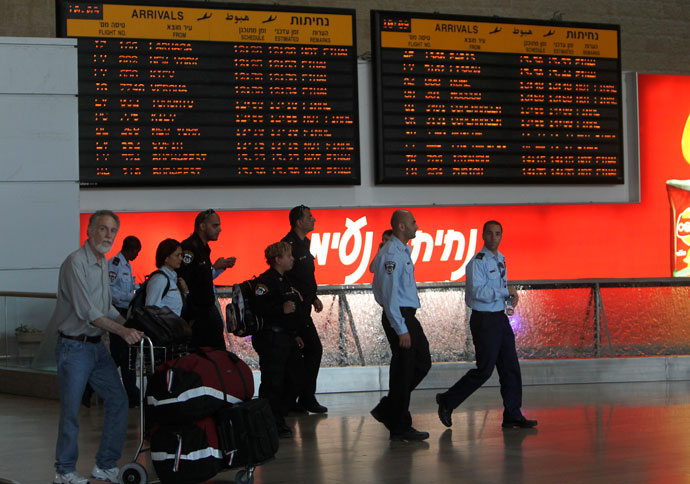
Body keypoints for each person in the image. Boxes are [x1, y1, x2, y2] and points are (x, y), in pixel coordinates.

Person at [52, 210, 144, 484]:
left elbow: (105, 308)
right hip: (74, 348)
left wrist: (132, 324)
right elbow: (87, 311)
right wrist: (122, 331)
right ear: (89, 231)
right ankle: (64, 471)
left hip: (95, 347)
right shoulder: (75, 263)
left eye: (112, 230)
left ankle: (105, 465)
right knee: (71, 411)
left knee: (118, 400)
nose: (108, 235)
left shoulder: (103, 262)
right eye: (103, 229)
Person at [435, 221, 538, 429]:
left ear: (501, 236)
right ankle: (448, 400)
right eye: (490, 234)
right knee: (484, 370)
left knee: (510, 367)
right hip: (484, 320)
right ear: (483, 235)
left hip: (499, 318)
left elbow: (502, 288)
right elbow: (477, 292)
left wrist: (510, 304)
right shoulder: (477, 262)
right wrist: (504, 292)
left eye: (497, 234)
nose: (493, 237)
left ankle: (512, 413)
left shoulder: (500, 259)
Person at [370, 210, 431, 441]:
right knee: (404, 370)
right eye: (413, 222)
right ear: (402, 226)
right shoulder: (392, 253)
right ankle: (400, 424)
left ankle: (389, 410)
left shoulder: (401, 250)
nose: (417, 225)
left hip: (406, 316)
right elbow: (388, 293)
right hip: (400, 317)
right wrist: (400, 327)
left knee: (421, 363)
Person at [252, 241, 306, 438]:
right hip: (272, 338)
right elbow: (259, 308)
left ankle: (279, 415)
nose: (292, 259)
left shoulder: (285, 280)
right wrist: (279, 310)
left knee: (296, 378)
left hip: (287, 337)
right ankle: (271, 422)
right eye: (288, 256)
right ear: (277, 260)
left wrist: (295, 334)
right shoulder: (265, 282)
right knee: (273, 382)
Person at [282, 205, 327, 414]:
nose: (314, 220)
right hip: (295, 309)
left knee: (303, 352)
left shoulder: (305, 243)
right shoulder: (288, 245)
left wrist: (314, 296)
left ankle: (296, 399)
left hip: (305, 304)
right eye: (309, 217)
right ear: (298, 222)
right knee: (313, 349)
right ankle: (305, 398)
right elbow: (286, 277)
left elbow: (306, 274)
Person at [177, 209, 235, 348]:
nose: (219, 229)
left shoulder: (204, 248)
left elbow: (204, 277)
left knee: (218, 351)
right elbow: (186, 281)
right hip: (197, 311)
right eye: (215, 226)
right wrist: (191, 316)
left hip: (207, 308)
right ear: (202, 226)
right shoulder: (190, 247)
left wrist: (219, 268)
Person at [107, 235, 141, 407]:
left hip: (126, 312)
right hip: (117, 313)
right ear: (131, 248)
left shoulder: (127, 264)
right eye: (137, 251)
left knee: (123, 355)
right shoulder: (115, 264)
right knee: (124, 354)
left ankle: (93, 387)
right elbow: (111, 291)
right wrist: (130, 297)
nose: (137, 255)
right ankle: (131, 394)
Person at [146, 238, 187, 317]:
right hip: (162, 328)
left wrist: (185, 292)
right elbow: (151, 310)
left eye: (181, 255)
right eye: (177, 255)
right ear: (166, 258)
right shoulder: (159, 279)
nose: (181, 258)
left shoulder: (172, 278)